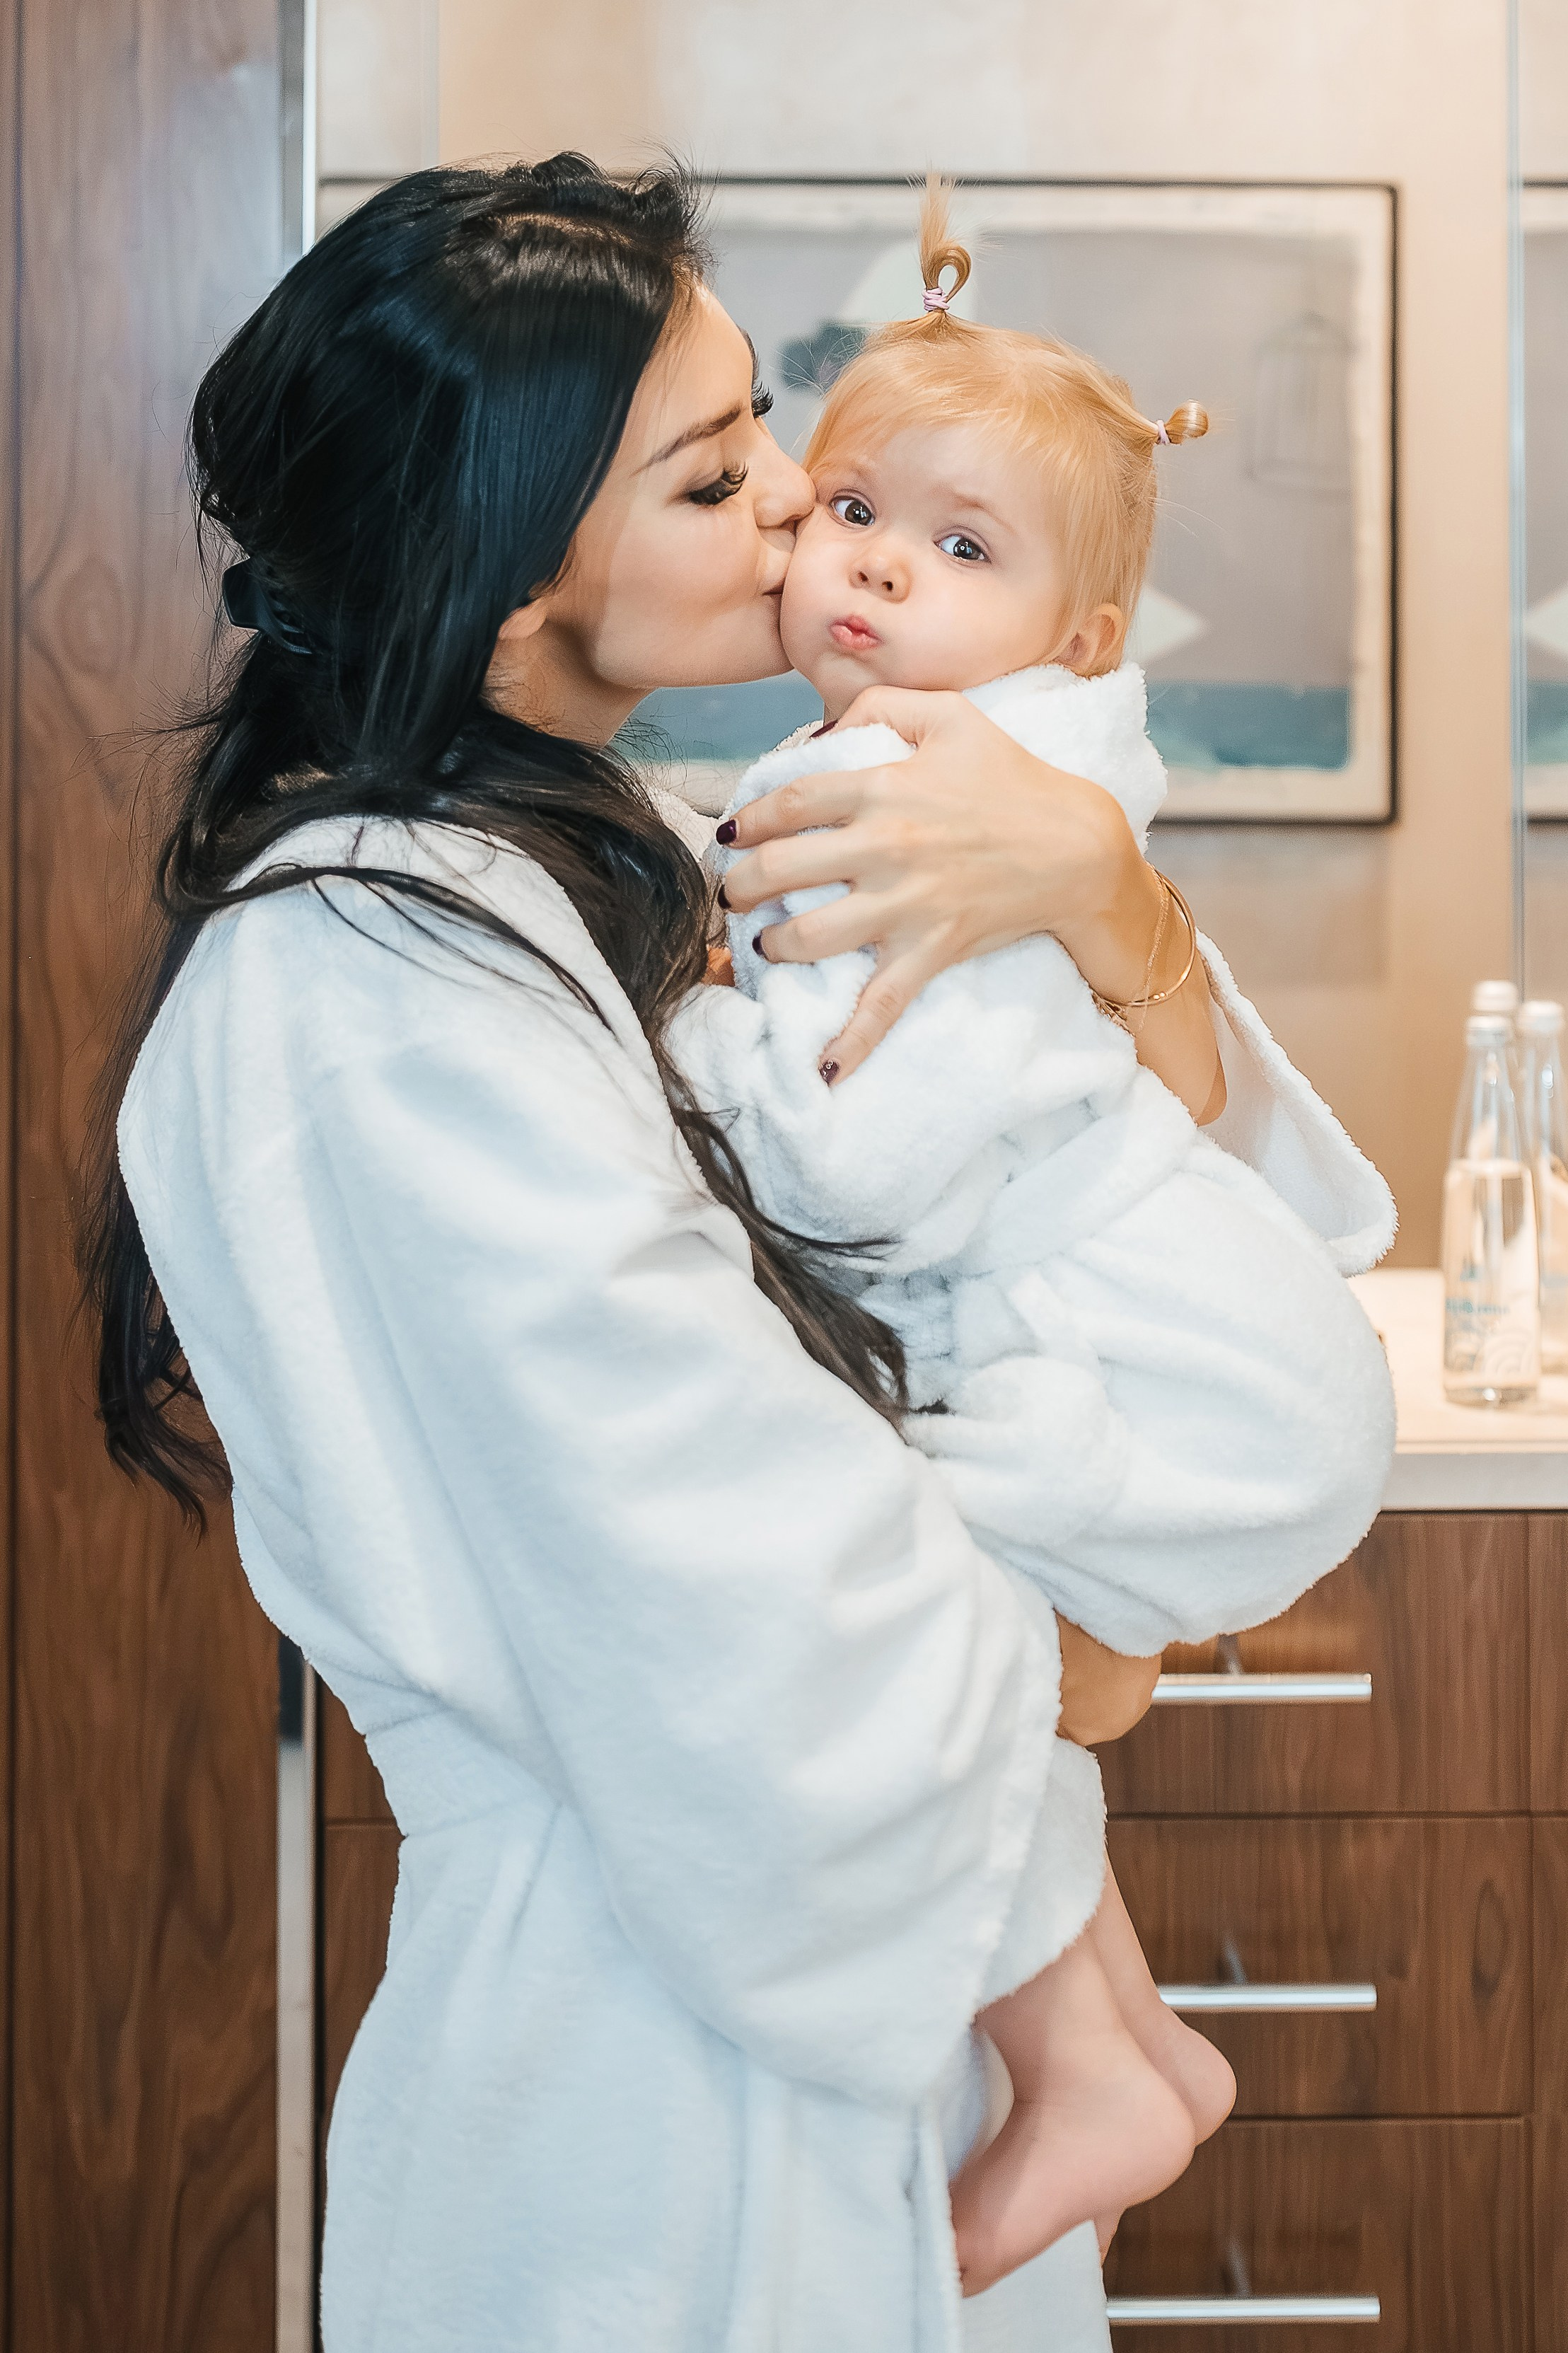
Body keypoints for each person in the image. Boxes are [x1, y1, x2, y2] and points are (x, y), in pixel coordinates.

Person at [81, 157, 1395, 2352]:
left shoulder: (643, 855)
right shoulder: (371, 990)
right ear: (505, 581)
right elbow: (747, 1583)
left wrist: (1106, 901)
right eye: (717, 479)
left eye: (767, 434)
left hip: (868, 1990)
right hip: (664, 2075)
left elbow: (1137, 1192)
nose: (802, 509)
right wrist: (1071, 1659)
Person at [672, 181, 1395, 2289]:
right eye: (850, 504)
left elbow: (875, 1159)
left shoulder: (930, 801)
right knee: (981, 1654)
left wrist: (705, 1058)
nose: (877, 561)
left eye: (962, 545)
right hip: (1174, 1356)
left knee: (959, 1631)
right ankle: (1096, 2044)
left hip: (1180, 1379)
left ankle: (1086, 2055)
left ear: (1082, 637)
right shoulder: (923, 778)